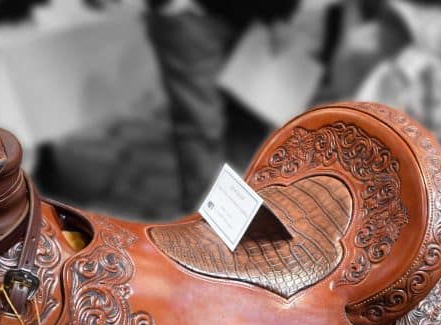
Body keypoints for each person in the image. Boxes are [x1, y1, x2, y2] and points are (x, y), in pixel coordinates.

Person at [87, 0, 300, 210]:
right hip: (192, 17)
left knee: (249, 119)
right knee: (202, 125)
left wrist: (280, 13)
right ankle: (210, 224)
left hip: (254, 21)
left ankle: (239, 213)